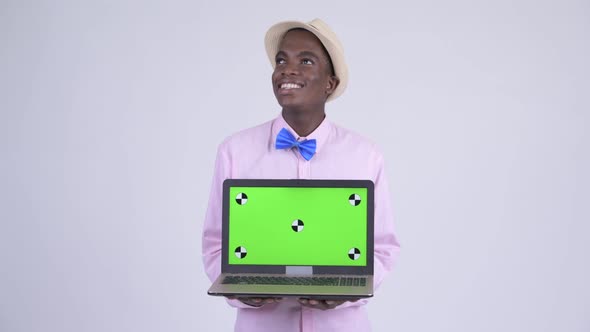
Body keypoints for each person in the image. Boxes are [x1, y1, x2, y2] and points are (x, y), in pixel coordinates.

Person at [202, 18, 400, 332]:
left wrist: (346, 292)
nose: (287, 69)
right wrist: (242, 291)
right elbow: (215, 245)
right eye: (282, 60)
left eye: (305, 61)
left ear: (330, 84)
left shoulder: (365, 154)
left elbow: (383, 248)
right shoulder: (234, 151)